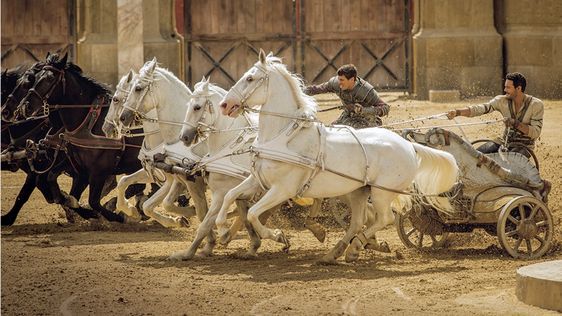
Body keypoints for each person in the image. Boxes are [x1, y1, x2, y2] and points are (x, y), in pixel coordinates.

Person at [447, 72, 550, 201]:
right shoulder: (501, 101)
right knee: (475, 156)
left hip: (524, 146)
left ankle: (541, 185)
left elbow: (535, 132)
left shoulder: (536, 105)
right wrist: (457, 112)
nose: (505, 90)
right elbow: (481, 108)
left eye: (508, 87)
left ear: (519, 88)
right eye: (505, 86)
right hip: (503, 142)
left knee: (508, 170)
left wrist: (516, 123)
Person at [304, 64, 390, 128]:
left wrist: (363, 110)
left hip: (367, 121)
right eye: (339, 79)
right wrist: (299, 91)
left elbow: (385, 107)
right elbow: (316, 89)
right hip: (348, 117)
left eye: (342, 80)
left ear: (352, 79)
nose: (339, 83)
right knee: (331, 130)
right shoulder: (335, 83)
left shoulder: (366, 91)